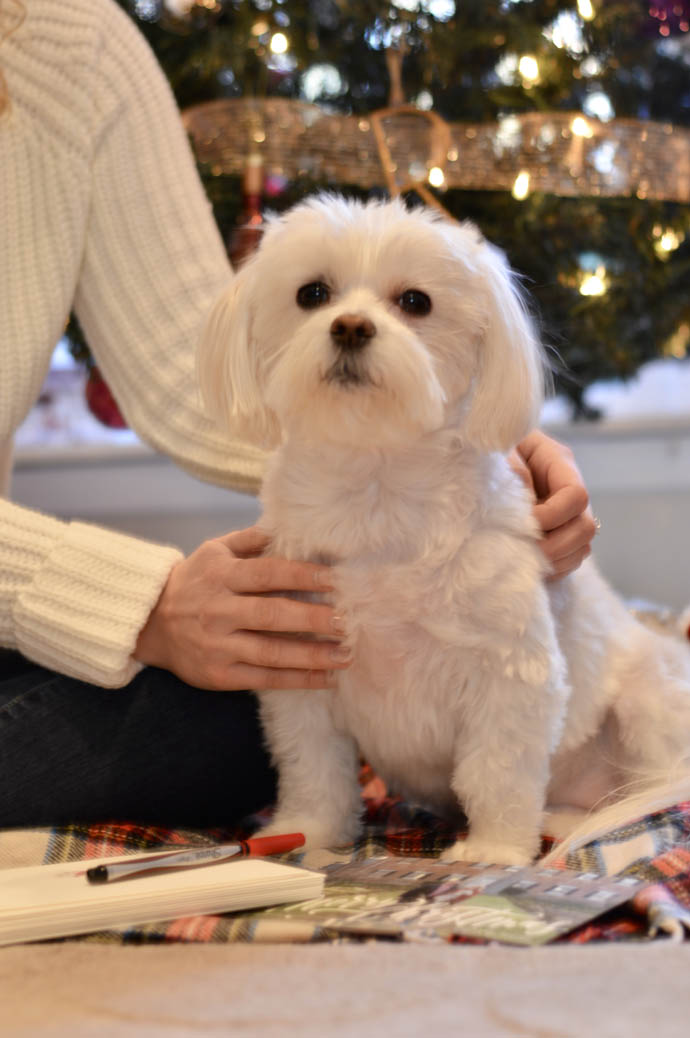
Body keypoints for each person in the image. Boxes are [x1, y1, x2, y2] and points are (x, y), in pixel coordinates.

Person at [0, 0, 595, 828]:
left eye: (409, 302)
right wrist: (139, 606)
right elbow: (249, 350)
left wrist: (481, 429)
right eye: (317, 296)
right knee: (273, 685)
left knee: (254, 681)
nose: (349, 322)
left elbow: (201, 372)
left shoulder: (71, 39)